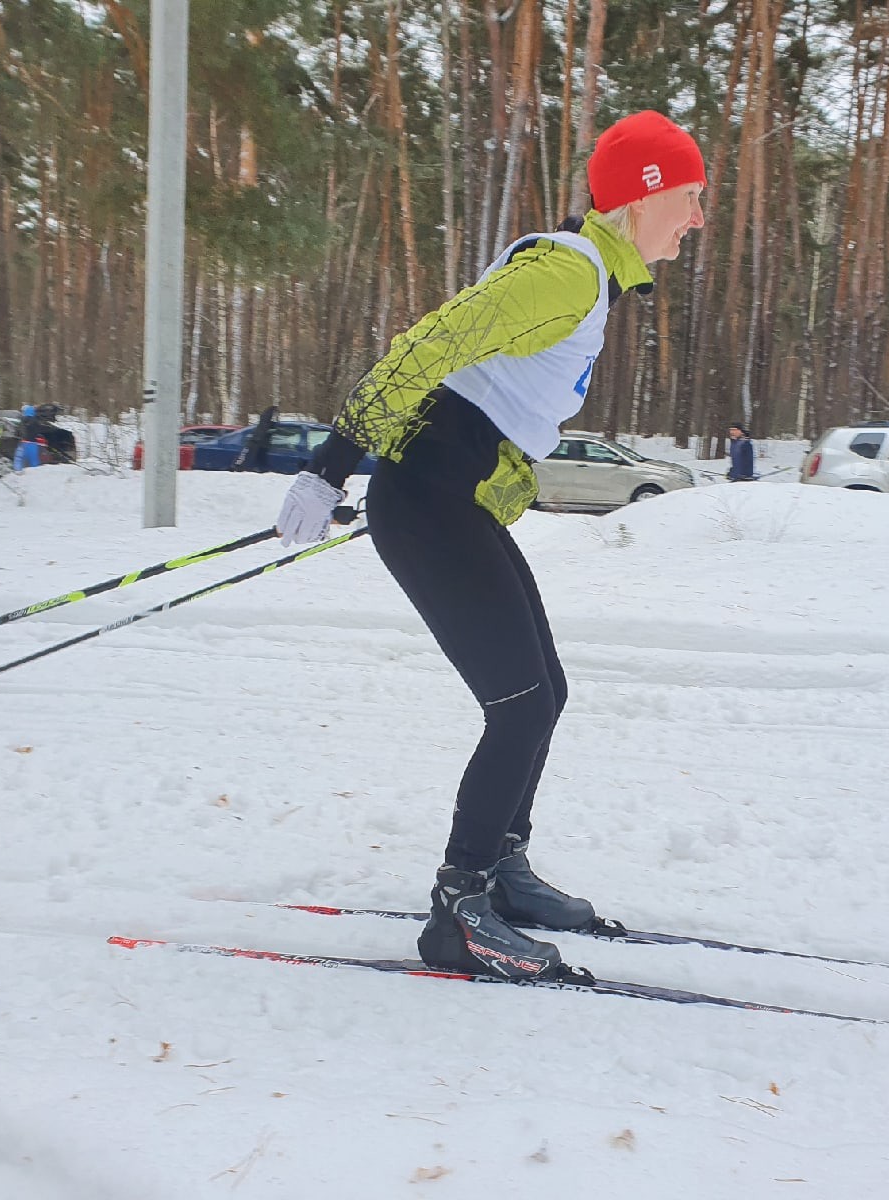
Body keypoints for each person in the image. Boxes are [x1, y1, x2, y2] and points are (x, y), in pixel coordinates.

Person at [276, 110, 707, 981]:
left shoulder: (589, 279)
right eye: (692, 198)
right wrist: (331, 465)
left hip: (451, 499)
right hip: (430, 501)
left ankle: (503, 870)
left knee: (545, 691)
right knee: (518, 703)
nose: (697, 219)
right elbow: (427, 343)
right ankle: (460, 908)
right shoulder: (569, 272)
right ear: (645, 197)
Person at [235, 405, 278, 471]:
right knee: (247, 458)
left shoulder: (265, 421)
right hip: (256, 442)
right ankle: (239, 468)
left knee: (255, 459)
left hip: (259, 443)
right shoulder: (265, 422)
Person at [14, 404, 42, 471]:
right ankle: (34, 476)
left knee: (19, 460)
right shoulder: (36, 421)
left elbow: (17, 432)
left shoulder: (22, 420)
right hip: (33, 444)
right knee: (34, 461)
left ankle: (17, 473)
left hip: (23, 443)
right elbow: (38, 431)